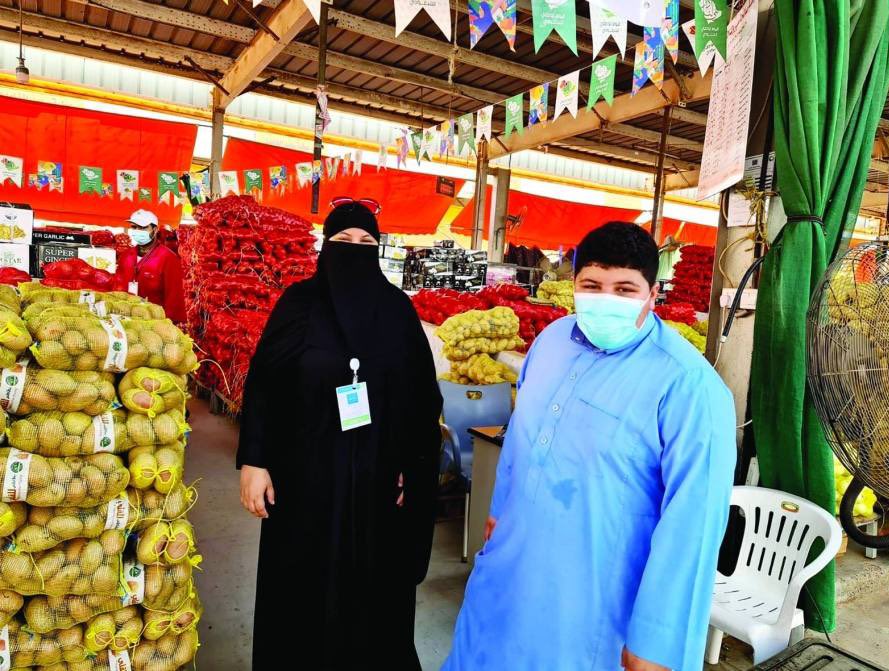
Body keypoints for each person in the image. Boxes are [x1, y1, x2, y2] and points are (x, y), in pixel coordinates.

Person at [443, 222, 736, 671]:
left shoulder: (690, 387)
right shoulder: (550, 341)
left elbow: (693, 525)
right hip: (510, 569)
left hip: (592, 599)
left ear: (652, 294)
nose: (606, 299)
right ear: (574, 285)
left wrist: (657, 642)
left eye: (625, 289)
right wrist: (498, 510)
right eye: (592, 286)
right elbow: (522, 436)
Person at [237, 201, 443, 671]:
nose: (355, 249)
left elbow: (420, 396)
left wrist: (413, 466)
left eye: (367, 242)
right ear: (325, 247)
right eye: (343, 240)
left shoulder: (397, 310)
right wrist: (254, 460)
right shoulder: (299, 303)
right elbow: (265, 383)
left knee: (373, 593)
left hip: (377, 481)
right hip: (303, 476)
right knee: (302, 586)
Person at [120, 209, 186, 323]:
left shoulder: (168, 258)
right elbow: (118, 288)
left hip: (154, 322)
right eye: (134, 227)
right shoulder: (126, 256)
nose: (137, 231)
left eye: (143, 228)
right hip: (126, 319)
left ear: (155, 230)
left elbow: (174, 298)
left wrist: (170, 324)